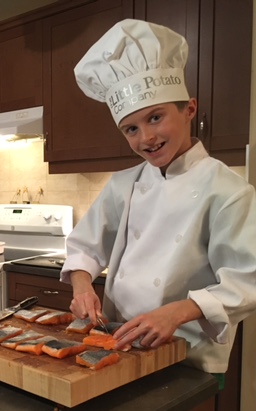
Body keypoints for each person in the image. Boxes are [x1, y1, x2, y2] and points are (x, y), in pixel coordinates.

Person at [61, 19, 256, 375]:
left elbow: (246, 279)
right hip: (118, 343)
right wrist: (83, 286)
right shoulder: (123, 185)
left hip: (187, 355)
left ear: (189, 110)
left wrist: (178, 311)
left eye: (155, 118)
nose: (146, 138)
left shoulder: (228, 191)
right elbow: (84, 249)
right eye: (131, 129)